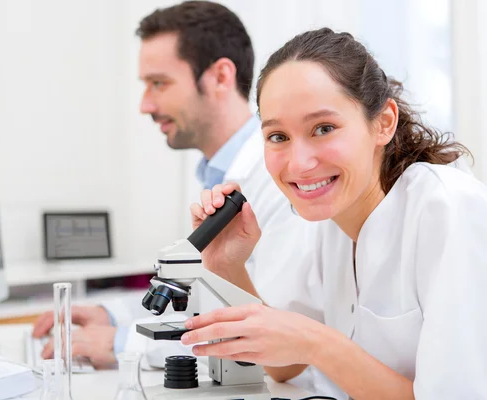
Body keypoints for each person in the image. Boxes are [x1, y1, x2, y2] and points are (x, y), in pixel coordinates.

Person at [180, 27, 487, 399]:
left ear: (384, 122)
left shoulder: (446, 207)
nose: (300, 163)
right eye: (278, 136)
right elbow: (283, 364)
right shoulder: (331, 219)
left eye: (324, 128)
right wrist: (230, 266)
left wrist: (315, 342)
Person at [32, 1, 323, 375]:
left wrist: (122, 343)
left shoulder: (282, 180)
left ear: (220, 77)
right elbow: (204, 300)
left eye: (159, 83)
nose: (145, 105)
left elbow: (276, 333)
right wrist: (110, 313)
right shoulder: (217, 174)